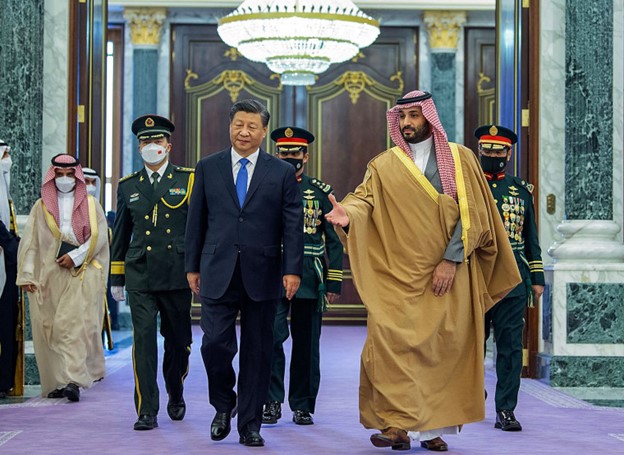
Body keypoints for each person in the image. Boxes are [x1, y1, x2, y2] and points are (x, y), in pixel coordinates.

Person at [324, 90, 521, 452]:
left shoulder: (460, 159)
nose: (407, 123)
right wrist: (346, 215)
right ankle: (396, 424)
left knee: (441, 351)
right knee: (389, 345)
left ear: (429, 117)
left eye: (414, 115)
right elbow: (363, 200)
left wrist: (451, 260)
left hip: (448, 274)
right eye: (401, 117)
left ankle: (432, 429)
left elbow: (473, 216)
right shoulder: (383, 165)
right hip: (397, 275)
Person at [185, 99, 303, 447]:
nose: (244, 132)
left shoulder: (281, 172)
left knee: (258, 350)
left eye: (252, 126)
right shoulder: (208, 167)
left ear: (264, 131)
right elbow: (196, 220)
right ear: (230, 126)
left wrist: (292, 270)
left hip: (263, 272)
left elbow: (292, 225)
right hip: (216, 269)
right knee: (214, 345)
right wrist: (192, 266)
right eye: (238, 124)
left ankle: (250, 424)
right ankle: (224, 404)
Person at [110, 115, 194, 431]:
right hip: (141, 273)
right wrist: (117, 277)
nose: (151, 146)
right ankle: (147, 409)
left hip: (176, 273)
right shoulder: (128, 185)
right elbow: (121, 234)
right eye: (146, 141)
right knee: (143, 341)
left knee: (179, 342)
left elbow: (198, 228)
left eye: (157, 140)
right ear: (138, 147)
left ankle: (175, 388)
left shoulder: (188, 179)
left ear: (168, 145)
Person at [262, 127, 343, 426]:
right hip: (272, 274)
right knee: (270, 338)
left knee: (307, 344)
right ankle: (271, 401)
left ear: (305, 157)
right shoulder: (263, 187)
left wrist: (334, 280)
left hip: (310, 276)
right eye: (284, 153)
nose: (289, 158)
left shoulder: (320, 192)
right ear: (276, 155)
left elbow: (334, 239)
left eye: (295, 153)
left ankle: (302, 404)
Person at [16, 153, 109, 402]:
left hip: (81, 272)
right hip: (49, 275)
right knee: (51, 329)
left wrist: (75, 257)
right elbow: (31, 243)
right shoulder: (41, 207)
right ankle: (58, 381)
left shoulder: (91, 205)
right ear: (53, 176)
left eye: (70, 174)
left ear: (77, 176)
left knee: (73, 325)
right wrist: (27, 274)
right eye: (60, 174)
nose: (65, 179)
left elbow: (99, 238)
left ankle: (73, 380)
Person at [474, 124, 545, 432]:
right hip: (475, 275)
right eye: (487, 150)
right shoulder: (467, 187)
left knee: (511, 347)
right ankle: (471, 392)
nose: (492, 156)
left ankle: (505, 409)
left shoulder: (521, 190)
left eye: (498, 151)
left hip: (513, 278)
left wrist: (537, 276)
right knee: (470, 344)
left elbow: (531, 236)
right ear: (479, 151)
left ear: (509, 153)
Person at [0, 139, 19, 399]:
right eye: (5, 155)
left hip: (7, 266)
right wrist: (12, 245)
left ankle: (4, 381)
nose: (8, 160)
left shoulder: (5, 189)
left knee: (7, 324)